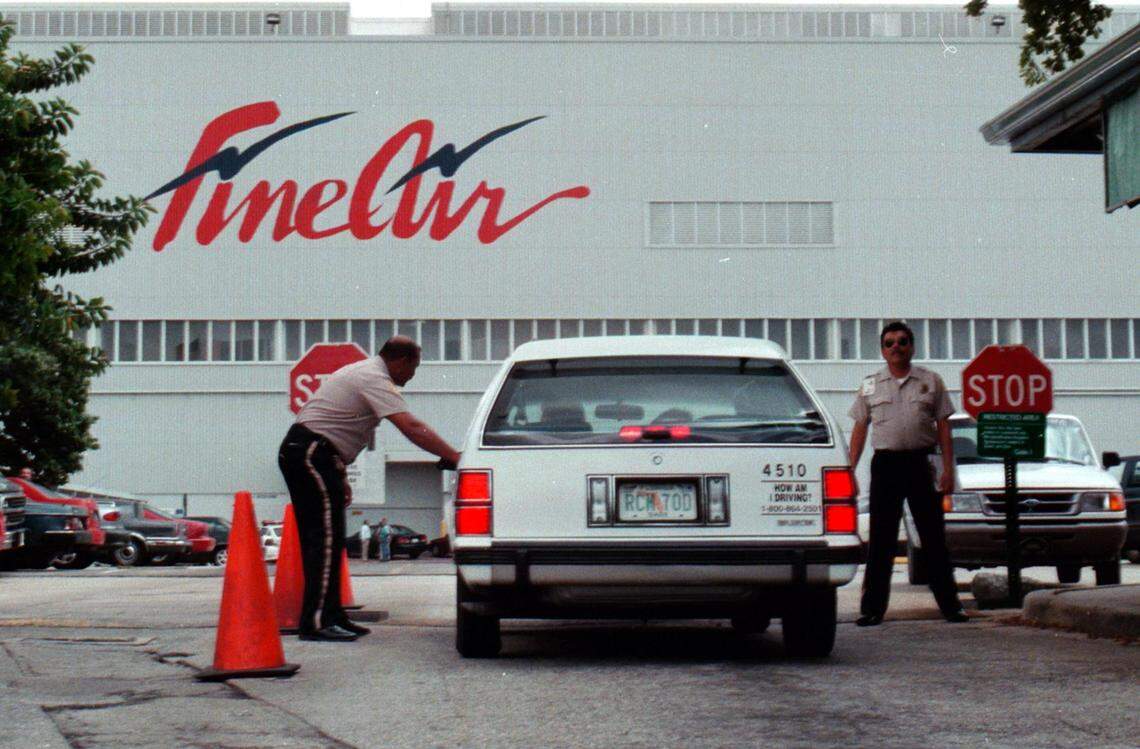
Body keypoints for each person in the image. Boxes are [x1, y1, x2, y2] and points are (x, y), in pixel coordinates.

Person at [278, 336, 461, 642]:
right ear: (400, 361)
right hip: (310, 453)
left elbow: (337, 428)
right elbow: (411, 427)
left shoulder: (364, 373)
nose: (411, 377)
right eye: (413, 369)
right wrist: (454, 456)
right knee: (323, 540)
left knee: (332, 539)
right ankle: (317, 621)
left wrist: (341, 475)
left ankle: (333, 615)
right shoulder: (374, 377)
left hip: (320, 454)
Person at [848, 321, 968, 627]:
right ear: (882, 350)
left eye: (902, 341)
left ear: (912, 346)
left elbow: (943, 426)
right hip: (886, 466)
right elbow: (860, 428)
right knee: (881, 541)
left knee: (933, 537)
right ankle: (872, 609)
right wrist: (849, 470)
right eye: (890, 343)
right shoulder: (871, 385)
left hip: (921, 464)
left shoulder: (931, 381)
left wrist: (948, 470)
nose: (896, 347)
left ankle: (951, 606)